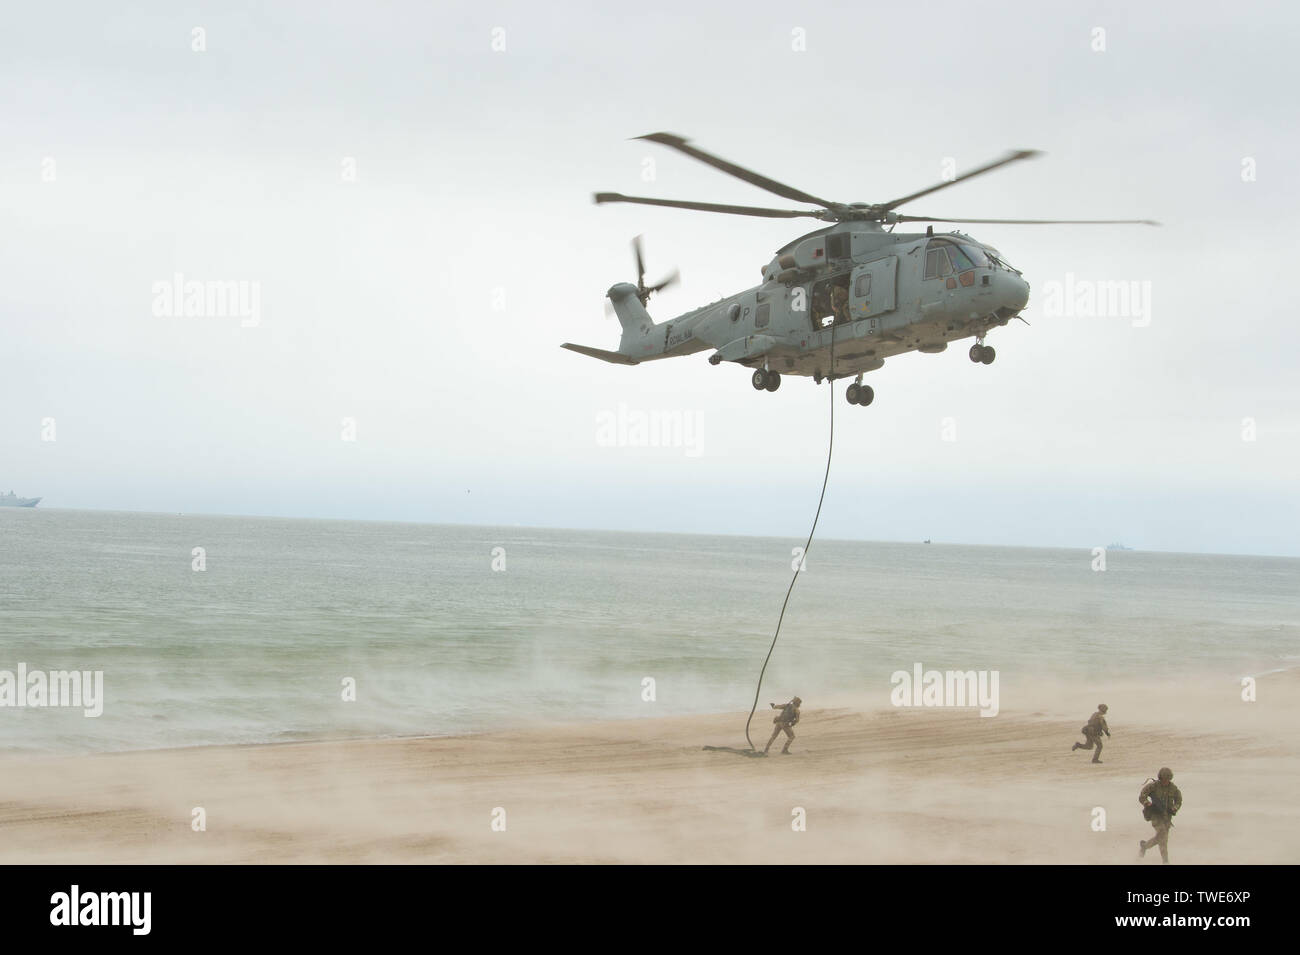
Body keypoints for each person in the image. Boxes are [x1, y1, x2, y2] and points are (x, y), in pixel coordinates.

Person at [1139, 767, 1183, 864]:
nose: (1166, 781)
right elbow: (1142, 795)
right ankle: (1165, 861)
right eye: (1164, 779)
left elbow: (1179, 800)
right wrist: (1147, 803)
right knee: (1162, 834)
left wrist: (1174, 808)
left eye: (1168, 779)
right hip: (1155, 815)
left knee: (1162, 839)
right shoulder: (1153, 786)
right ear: (1160, 778)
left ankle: (1145, 846)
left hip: (1167, 817)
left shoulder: (1173, 788)